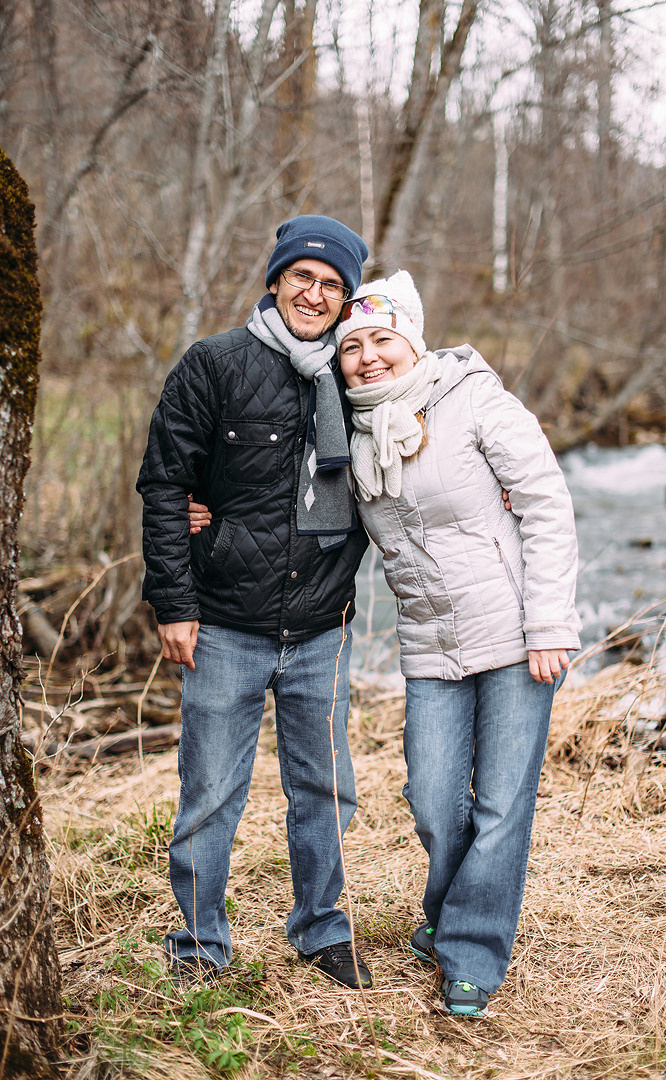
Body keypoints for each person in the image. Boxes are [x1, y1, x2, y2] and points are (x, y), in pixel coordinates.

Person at [333, 270, 582, 1018]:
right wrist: (204, 508)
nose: (368, 357)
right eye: (352, 346)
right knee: (436, 802)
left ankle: (470, 951)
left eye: (382, 339)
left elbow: (545, 505)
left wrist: (548, 624)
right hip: (429, 643)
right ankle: (447, 912)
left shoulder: (475, 400)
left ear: (411, 339)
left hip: (512, 635)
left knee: (502, 804)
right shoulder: (351, 433)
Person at [136, 215, 373, 989]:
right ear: (275, 279)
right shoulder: (213, 364)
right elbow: (166, 486)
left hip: (322, 627)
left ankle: (321, 930)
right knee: (208, 794)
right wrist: (174, 603)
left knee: (326, 789)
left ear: (347, 301)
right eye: (303, 276)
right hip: (224, 624)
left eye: (333, 285)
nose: (316, 293)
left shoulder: (358, 373)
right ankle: (199, 946)